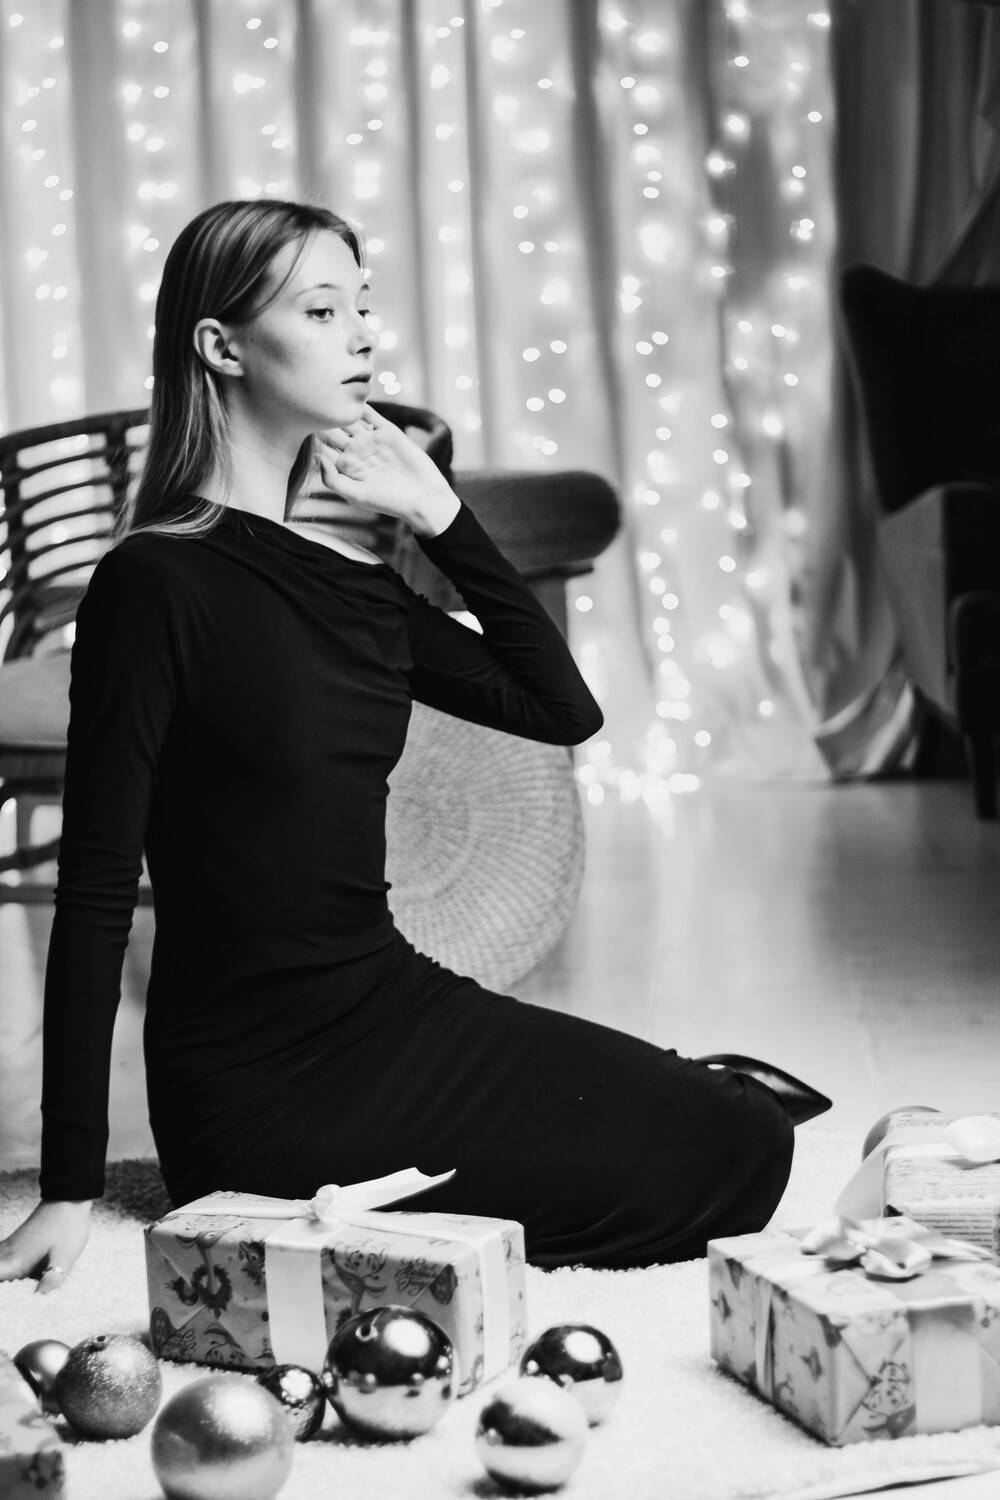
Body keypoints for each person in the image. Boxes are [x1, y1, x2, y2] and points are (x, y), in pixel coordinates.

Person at [0, 198, 809, 1299]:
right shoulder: (153, 583)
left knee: (744, 1140)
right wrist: (68, 1185)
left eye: (362, 307)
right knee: (717, 1150)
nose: (362, 335)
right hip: (257, 1090)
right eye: (321, 310)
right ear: (222, 346)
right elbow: (95, 887)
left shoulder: (355, 586)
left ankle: (660, 1105)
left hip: (392, 1008)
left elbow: (562, 709)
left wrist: (443, 517)